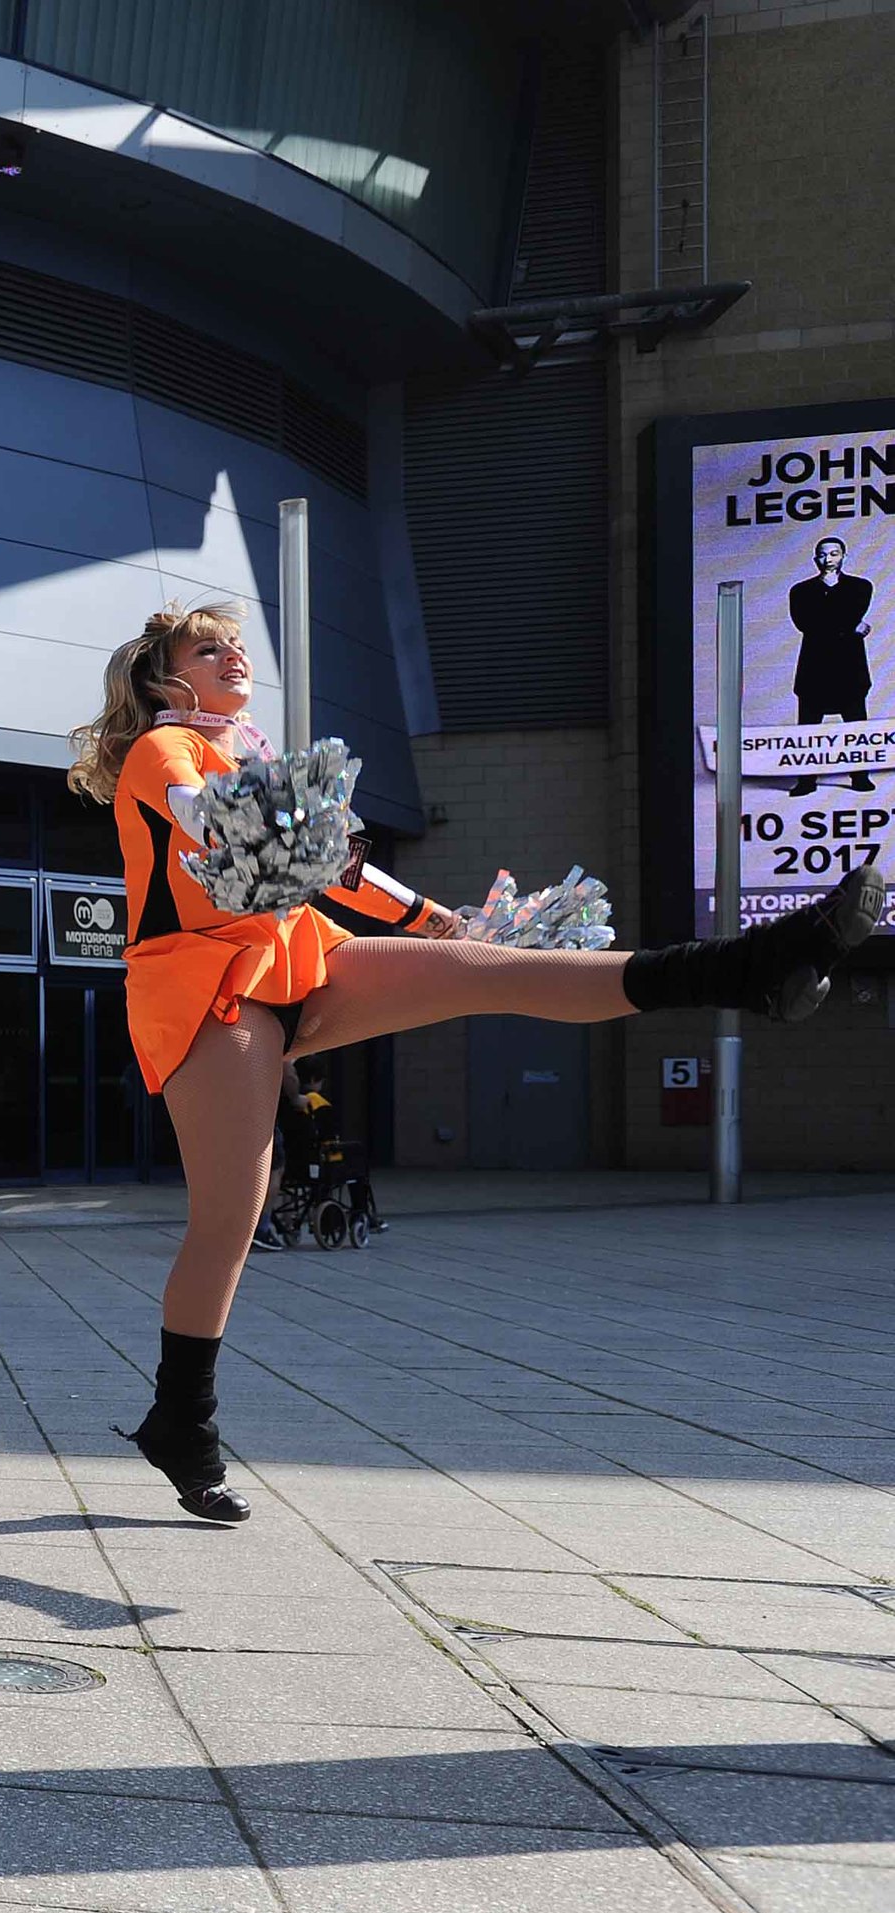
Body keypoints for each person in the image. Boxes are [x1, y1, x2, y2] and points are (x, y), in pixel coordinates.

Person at [76, 603, 881, 1524]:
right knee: (229, 1219)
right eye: (206, 648)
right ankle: (184, 1420)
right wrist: (242, 823)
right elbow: (197, 812)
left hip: (300, 952)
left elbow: (332, 870)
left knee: (490, 971)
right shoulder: (161, 751)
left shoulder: (252, 750)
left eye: (236, 645)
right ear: (164, 679)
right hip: (210, 984)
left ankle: (746, 969)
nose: (231, 655)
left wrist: (435, 920)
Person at [786, 537, 878, 796]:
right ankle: (806, 781)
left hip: (849, 667)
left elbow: (839, 613)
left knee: (856, 726)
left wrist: (838, 622)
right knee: (808, 728)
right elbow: (806, 623)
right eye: (822, 554)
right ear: (815, 558)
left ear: (843, 556)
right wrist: (851, 626)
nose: (828, 559)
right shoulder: (800, 591)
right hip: (815, 668)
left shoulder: (861, 587)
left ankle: (860, 777)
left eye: (834, 554)